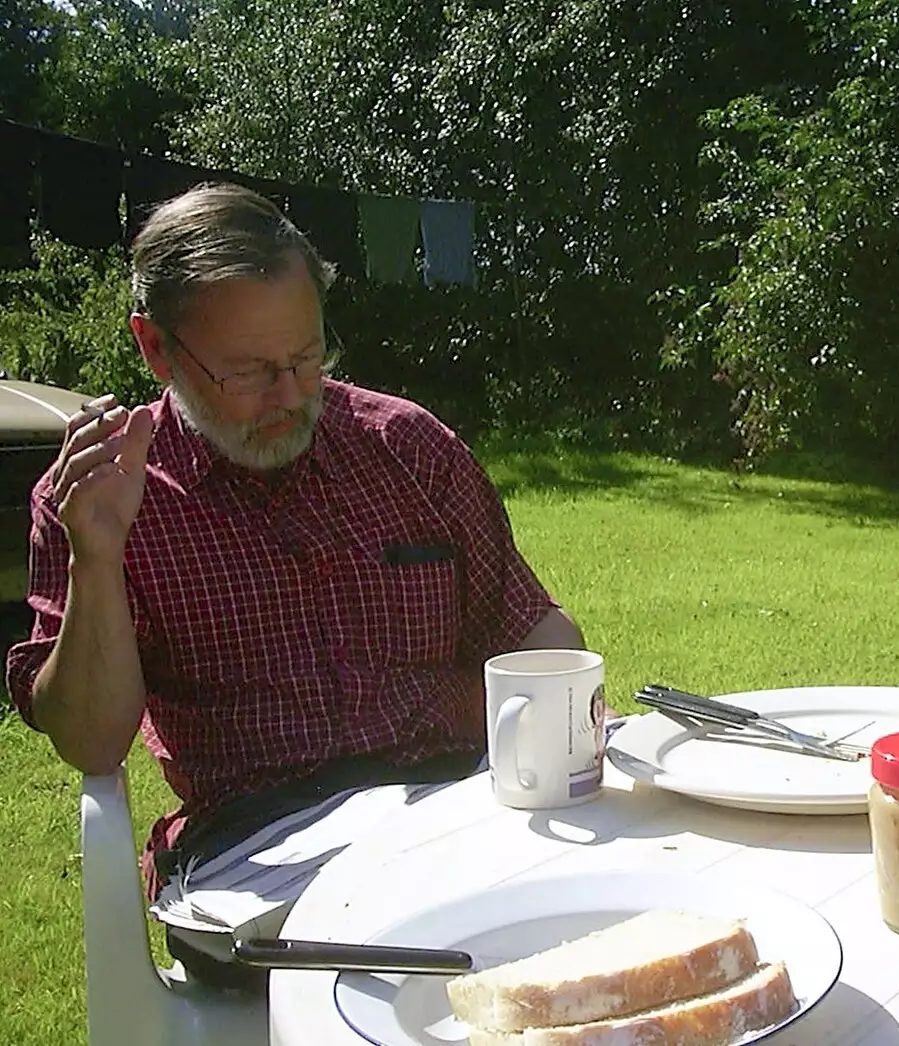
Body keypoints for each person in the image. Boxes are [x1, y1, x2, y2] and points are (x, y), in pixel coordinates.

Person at [4, 182, 584, 989]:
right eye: (247, 373)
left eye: (307, 358)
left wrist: (577, 734)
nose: (288, 396)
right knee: (431, 964)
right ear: (157, 348)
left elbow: (531, 632)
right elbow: (91, 741)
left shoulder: (405, 448)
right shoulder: (104, 496)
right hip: (260, 854)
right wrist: (97, 557)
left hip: (456, 809)